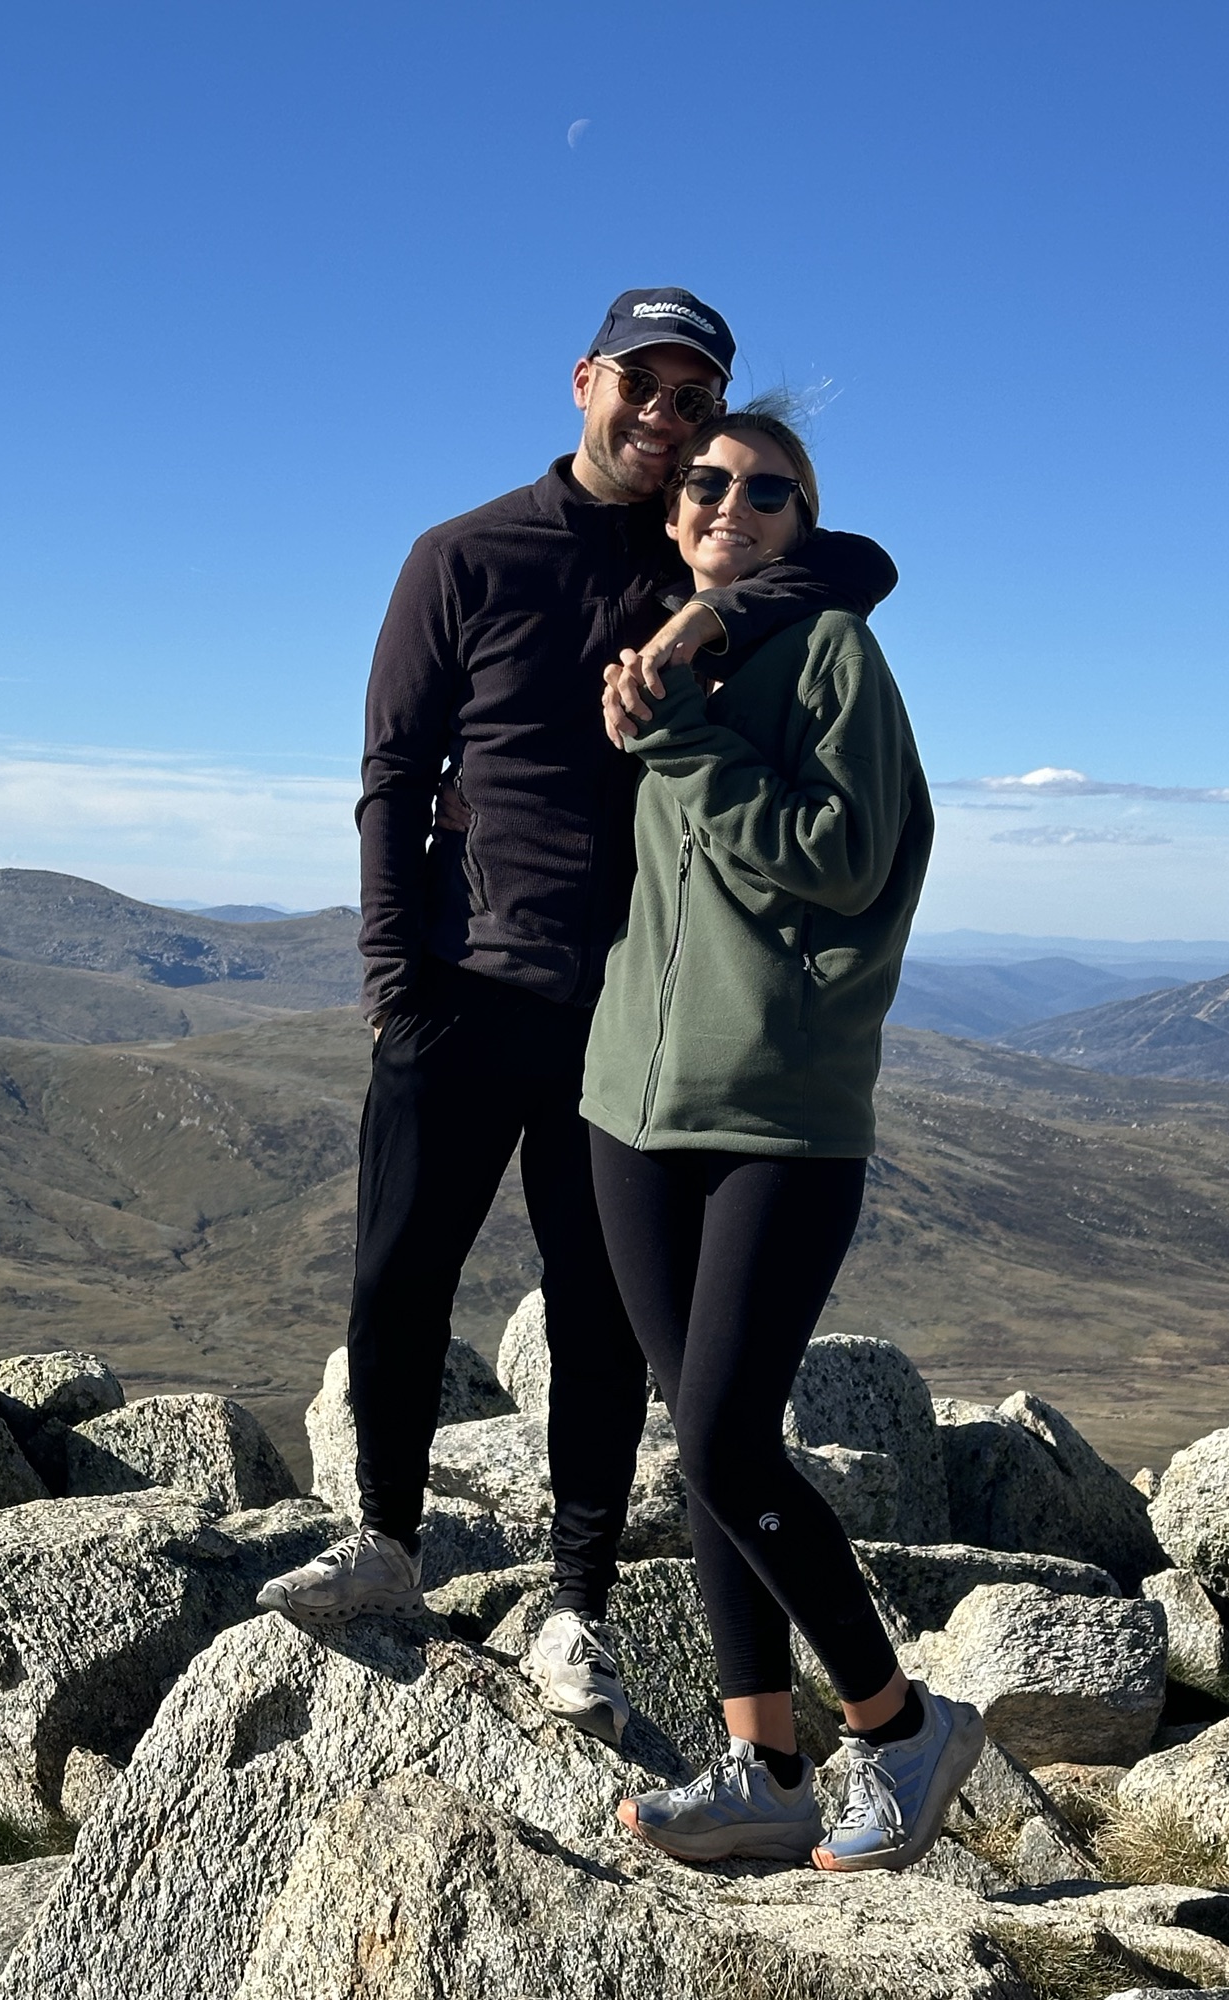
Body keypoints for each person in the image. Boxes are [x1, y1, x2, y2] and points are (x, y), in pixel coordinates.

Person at [257, 290, 899, 1752]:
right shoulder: (464, 555)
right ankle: (387, 1542)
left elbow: (857, 558)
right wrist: (389, 976)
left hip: (625, 1021)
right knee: (398, 1280)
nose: (670, 424)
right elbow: (392, 773)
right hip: (462, 988)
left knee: (597, 1317)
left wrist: (721, 603)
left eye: (696, 401)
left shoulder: (693, 559)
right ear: (584, 383)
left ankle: (576, 1608)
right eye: (647, 390)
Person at [581, 402, 983, 1869]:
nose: (731, 502)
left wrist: (682, 746)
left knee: (736, 1436)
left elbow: (840, 859)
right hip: (632, 1103)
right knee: (700, 1445)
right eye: (707, 483)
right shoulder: (666, 649)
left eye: (769, 490)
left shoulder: (829, 656)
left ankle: (898, 1728)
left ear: (800, 522)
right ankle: (763, 1764)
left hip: (780, 1113)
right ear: (674, 506)